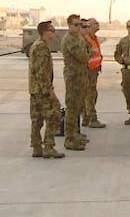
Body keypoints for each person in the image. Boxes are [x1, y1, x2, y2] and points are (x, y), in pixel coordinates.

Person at [28, 21, 65, 159]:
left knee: (36, 119)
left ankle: (37, 147)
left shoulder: (36, 45)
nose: (54, 33)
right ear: (45, 31)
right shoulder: (42, 47)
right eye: (52, 30)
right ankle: (48, 146)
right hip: (42, 90)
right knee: (54, 115)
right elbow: (41, 71)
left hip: (34, 89)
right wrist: (49, 90)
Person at [60, 14, 90, 150]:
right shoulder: (70, 40)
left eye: (80, 25)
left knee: (78, 107)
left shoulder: (78, 38)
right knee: (72, 109)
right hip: (73, 78)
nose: (79, 27)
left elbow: (87, 51)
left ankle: (75, 133)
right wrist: (88, 53)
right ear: (69, 26)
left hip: (80, 76)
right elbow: (83, 56)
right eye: (76, 25)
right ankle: (69, 138)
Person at [81, 18, 106, 128]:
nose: (98, 25)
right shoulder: (86, 40)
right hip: (88, 71)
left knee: (90, 94)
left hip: (94, 70)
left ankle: (86, 117)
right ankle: (92, 118)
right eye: (95, 23)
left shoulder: (94, 38)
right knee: (90, 95)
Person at [113, 19, 130, 125]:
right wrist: (122, 60)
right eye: (129, 26)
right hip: (127, 71)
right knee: (128, 93)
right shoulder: (123, 41)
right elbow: (117, 54)